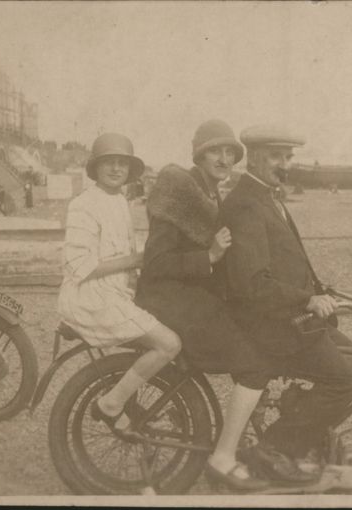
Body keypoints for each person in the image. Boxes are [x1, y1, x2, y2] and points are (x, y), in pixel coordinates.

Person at [134, 120, 271, 491]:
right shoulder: (178, 193)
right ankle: (223, 457)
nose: (224, 159)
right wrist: (208, 256)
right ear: (199, 154)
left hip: (191, 297)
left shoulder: (211, 194)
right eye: (215, 151)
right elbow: (155, 264)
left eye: (230, 152)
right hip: (167, 299)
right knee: (253, 364)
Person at [221, 124, 352, 481]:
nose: (284, 164)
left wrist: (320, 291)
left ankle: (310, 438)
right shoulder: (246, 204)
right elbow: (253, 283)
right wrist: (308, 299)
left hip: (290, 317)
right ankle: (274, 447)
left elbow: (287, 262)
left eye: (287, 157)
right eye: (275, 157)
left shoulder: (267, 197)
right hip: (271, 326)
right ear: (253, 158)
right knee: (344, 381)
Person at [57, 132, 182, 436]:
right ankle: (111, 404)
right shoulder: (84, 204)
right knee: (169, 344)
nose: (115, 169)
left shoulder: (120, 201)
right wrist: (135, 260)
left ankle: (132, 406)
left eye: (122, 163)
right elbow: (78, 266)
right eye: (108, 162)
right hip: (90, 297)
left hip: (115, 294)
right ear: (96, 167)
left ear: (129, 169)